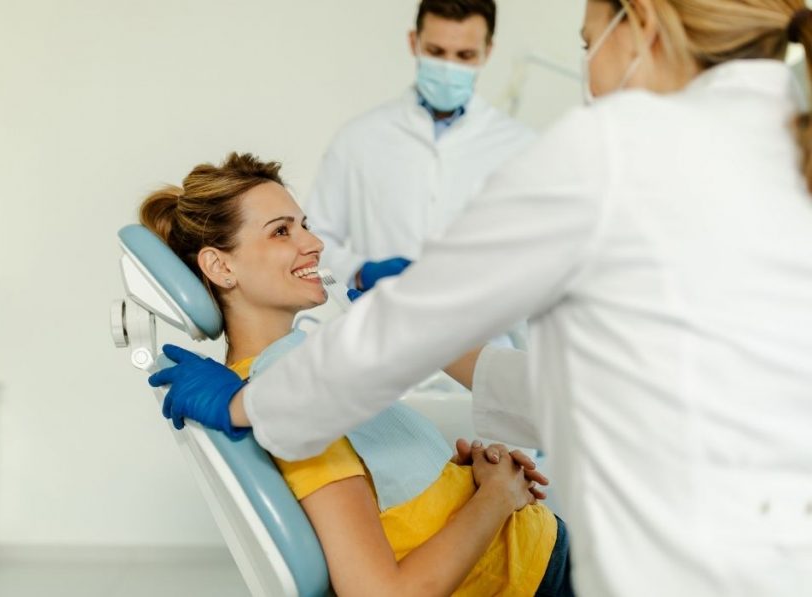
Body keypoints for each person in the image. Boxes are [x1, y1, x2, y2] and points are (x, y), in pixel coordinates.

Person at [152, 1, 812, 595]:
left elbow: (411, 329)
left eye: (589, 42)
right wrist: (482, 485)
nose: (313, 244)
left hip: (696, 553)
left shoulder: (616, 149)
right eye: (282, 230)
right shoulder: (778, 137)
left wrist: (249, 401)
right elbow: (642, 378)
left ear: (637, 22)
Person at [143, 152, 573, 596]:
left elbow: (382, 487)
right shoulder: (288, 377)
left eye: (303, 224)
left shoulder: (299, 371)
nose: (314, 243)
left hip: (541, 559)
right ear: (220, 266)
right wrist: (496, 496)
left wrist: (459, 480)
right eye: (281, 231)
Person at [307, 0, 534, 297]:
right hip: (378, 326)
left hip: (481, 333)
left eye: (464, 55)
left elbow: (539, 259)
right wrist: (359, 272)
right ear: (413, 42)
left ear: (487, 52)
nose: (449, 68)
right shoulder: (358, 138)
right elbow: (310, 246)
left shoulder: (522, 147)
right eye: (436, 52)